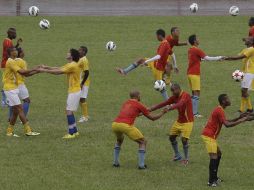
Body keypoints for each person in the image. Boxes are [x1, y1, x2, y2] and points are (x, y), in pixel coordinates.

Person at [112, 90, 168, 169]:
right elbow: (152, 118)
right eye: (140, 95)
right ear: (137, 96)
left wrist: (147, 110)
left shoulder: (126, 103)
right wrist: (163, 112)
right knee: (142, 142)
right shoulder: (139, 104)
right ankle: (141, 165)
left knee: (119, 140)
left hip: (115, 124)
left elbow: (136, 113)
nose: (140, 97)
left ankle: (115, 162)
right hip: (126, 125)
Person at [201, 94, 247, 187]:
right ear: (223, 101)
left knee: (219, 154)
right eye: (227, 99)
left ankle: (215, 177)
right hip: (208, 136)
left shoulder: (220, 110)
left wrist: (239, 117)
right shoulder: (219, 110)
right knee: (214, 157)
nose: (229, 100)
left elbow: (226, 121)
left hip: (210, 136)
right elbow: (227, 125)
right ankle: (211, 181)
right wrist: (241, 121)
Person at [38, 49, 82, 139]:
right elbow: (58, 68)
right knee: (70, 111)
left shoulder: (72, 65)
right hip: (74, 91)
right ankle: (75, 131)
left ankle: (71, 133)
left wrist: (44, 70)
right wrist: (46, 67)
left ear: (72, 56)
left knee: (69, 111)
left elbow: (58, 72)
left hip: (74, 91)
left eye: (69, 52)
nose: (67, 53)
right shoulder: (71, 64)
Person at [116, 29, 172, 100]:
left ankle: (168, 102)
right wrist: (175, 65)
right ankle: (124, 71)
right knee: (140, 60)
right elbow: (172, 54)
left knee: (160, 87)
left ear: (159, 35)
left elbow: (158, 56)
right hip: (155, 63)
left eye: (156, 36)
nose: (156, 37)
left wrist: (147, 61)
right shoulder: (165, 43)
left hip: (158, 68)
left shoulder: (164, 44)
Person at [149, 83, 193, 165]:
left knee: (184, 140)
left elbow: (181, 103)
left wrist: (170, 108)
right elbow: (164, 103)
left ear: (178, 89)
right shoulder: (174, 97)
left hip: (188, 122)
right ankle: (177, 155)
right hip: (179, 121)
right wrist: (151, 109)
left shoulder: (185, 95)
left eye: (173, 91)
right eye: (171, 91)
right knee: (172, 137)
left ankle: (186, 159)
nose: (172, 93)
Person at [3, 47, 40, 137]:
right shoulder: (11, 61)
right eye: (15, 50)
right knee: (20, 109)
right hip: (10, 88)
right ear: (11, 52)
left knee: (16, 111)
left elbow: (24, 74)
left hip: (13, 88)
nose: (17, 51)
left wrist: (37, 71)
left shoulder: (14, 61)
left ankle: (9, 131)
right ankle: (28, 130)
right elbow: (22, 71)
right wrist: (35, 68)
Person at [187, 34, 224, 118]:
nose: (199, 39)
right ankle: (194, 113)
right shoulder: (197, 50)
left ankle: (192, 111)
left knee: (194, 92)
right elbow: (207, 58)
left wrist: (216, 60)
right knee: (197, 92)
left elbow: (200, 59)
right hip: (194, 74)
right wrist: (219, 57)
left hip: (189, 73)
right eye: (197, 38)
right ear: (194, 41)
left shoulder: (190, 50)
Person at [224, 37, 254, 113]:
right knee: (243, 91)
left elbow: (239, 57)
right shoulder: (246, 49)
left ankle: (249, 109)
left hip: (250, 72)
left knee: (244, 90)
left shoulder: (251, 49)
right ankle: (243, 109)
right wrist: (225, 58)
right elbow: (237, 56)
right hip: (245, 72)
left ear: (251, 42)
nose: (246, 40)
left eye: (248, 39)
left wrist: (227, 58)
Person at [1, 28, 22, 106]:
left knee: (9, 80)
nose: (15, 35)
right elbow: (8, 53)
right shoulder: (7, 42)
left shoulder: (9, 41)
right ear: (10, 34)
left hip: (8, 63)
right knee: (6, 81)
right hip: (6, 64)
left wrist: (17, 45)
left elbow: (12, 51)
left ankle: (7, 99)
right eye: (14, 33)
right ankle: (4, 100)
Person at [78, 46, 90, 123]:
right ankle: (85, 115)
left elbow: (87, 72)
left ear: (84, 52)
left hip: (84, 82)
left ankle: (85, 116)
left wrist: (82, 83)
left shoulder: (84, 60)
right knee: (80, 98)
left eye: (80, 50)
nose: (78, 51)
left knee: (82, 98)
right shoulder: (80, 59)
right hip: (81, 81)